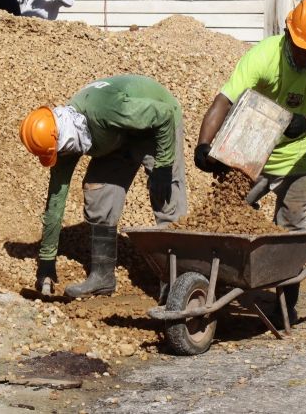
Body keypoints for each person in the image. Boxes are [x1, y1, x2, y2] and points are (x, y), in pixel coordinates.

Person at [194, 0, 306, 327]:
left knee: (291, 229)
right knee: (224, 216)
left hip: (300, 157)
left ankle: (285, 306)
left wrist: (304, 123)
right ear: (287, 33)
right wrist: (204, 145)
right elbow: (225, 99)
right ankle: (214, 291)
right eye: (300, 47)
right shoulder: (265, 55)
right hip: (253, 150)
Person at [20, 75, 187, 298]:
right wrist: (47, 261)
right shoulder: (64, 141)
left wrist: (164, 165)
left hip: (156, 124)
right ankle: (102, 277)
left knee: (166, 196)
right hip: (118, 134)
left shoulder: (106, 110)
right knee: (98, 192)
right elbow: (56, 199)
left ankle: (177, 282)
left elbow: (164, 115)